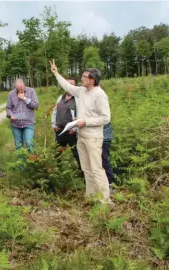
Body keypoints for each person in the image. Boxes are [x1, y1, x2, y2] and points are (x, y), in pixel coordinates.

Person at [50, 59, 111, 203]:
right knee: (86, 168)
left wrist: (86, 122)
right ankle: (90, 197)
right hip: (81, 137)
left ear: (92, 80)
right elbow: (67, 86)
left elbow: (106, 118)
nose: (81, 79)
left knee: (96, 169)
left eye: (84, 77)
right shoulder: (82, 91)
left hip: (93, 138)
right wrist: (56, 73)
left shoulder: (100, 94)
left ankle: (105, 201)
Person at [51, 78, 81, 169]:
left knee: (76, 153)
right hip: (60, 131)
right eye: (68, 84)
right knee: (58, 152)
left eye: (72, 84)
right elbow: (55, 112)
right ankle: (58, 171)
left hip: (71, 132)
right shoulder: (60, 97)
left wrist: (75, 129)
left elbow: (81, 115)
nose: (69, 86)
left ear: (75, 86)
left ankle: (82, 173)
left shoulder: (78, 99)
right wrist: (54, 125)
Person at [6, 79, 39, 154]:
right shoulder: (11, 94)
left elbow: (36, 106)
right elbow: (8, 108)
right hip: (15, 124)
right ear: (15, 87)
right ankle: (21, 165)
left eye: (22, 88)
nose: (21, 90)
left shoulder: (31, 91)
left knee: (29, 143)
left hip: (28, 123)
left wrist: (24, 98)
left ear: (24, 85)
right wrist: (11, 115)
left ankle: (32, 163)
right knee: (18, 146)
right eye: (18, 89)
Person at [102, 122, 115, 190]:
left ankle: (111, 184)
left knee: (104, 161)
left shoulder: (104, 112)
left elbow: (104, 122)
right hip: (97, 139)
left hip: (104, 139)